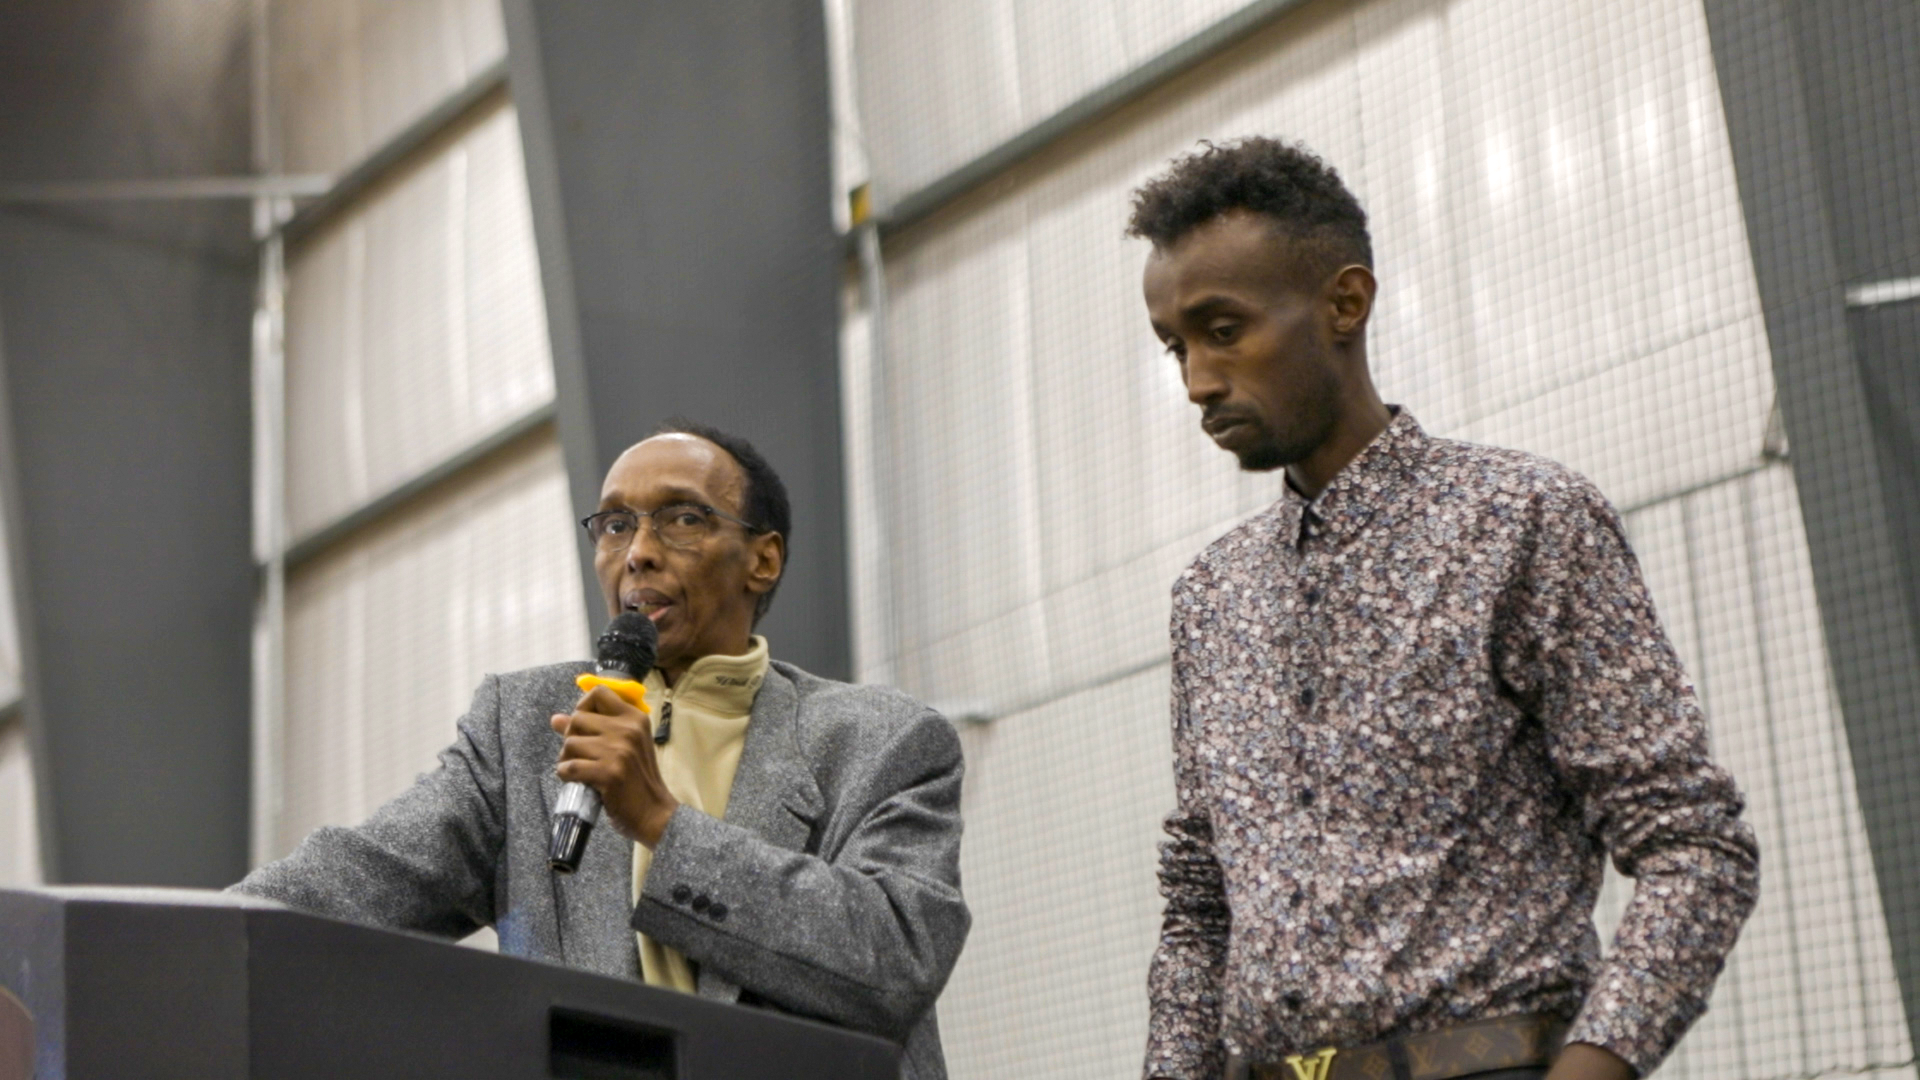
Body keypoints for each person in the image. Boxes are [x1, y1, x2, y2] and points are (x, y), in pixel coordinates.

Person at [1130, 138, 1758, 1080]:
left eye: (1224, 330)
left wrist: (1595, 1064)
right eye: (1176, 345)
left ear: (1345, 303)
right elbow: (1199, 906)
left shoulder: (1523, 522)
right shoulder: (1209, 599)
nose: (1197, 380)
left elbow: (1694, 844)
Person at [235, 420, 969, 1080]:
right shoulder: (523, 725)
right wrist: (188, 941)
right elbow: (365, 878)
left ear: (762, 559)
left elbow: (894, 959)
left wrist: (660, 822)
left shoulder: (882, 740)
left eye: (682, 519)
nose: (639, 554)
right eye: (615, 526)